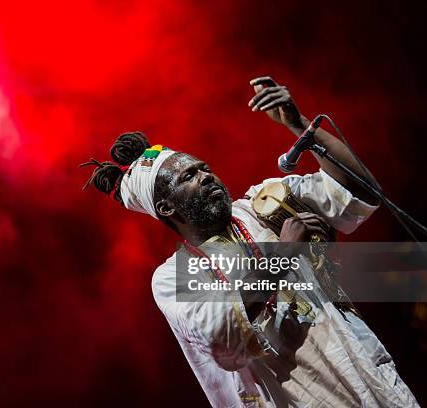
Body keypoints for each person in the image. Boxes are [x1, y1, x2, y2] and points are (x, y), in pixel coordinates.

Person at [81, 76, 419, 407]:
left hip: (372, 380)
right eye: (189, 176)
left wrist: (300, 126)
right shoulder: (172, 277)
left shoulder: (263, 203)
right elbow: (222, 332)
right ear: (166, 206)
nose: (206, 175)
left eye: (203, 167)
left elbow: (359, 193)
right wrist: (284, 253)